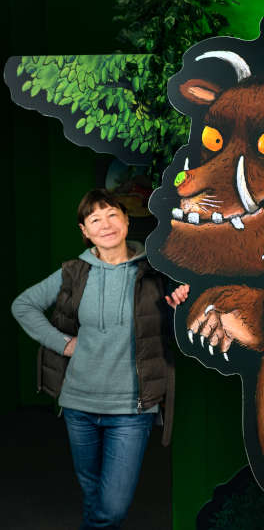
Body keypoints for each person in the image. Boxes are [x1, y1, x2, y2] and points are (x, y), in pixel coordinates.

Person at [11, 188, 189, 529]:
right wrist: (62, 344)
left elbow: (174, 329)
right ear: (85, 230)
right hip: (79, 406)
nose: (105, 224)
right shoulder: (74, 273)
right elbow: (23, 305)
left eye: (112, 215)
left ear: (126, 220)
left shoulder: (154, 272)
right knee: (92, 494)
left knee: (112, 507)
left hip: (131, 409)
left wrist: (179, 305)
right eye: (95, 219)